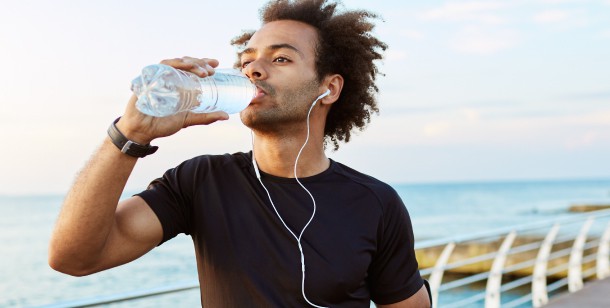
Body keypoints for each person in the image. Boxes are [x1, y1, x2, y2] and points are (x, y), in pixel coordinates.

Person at [49, 0, 430, 307]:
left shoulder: (375, 202)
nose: (254, 70)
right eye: (247, 61)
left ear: (328, 89)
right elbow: (73, 258)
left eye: (280, 59)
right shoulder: (201, 182)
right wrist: (128, 134)